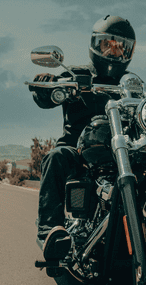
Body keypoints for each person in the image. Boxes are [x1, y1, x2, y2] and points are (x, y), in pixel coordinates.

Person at [29, 15, 137, 261]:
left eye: (121, 46)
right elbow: (46, 98)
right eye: (108, 44)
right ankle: (49, 233)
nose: (113, 51)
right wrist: (45, 85)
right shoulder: (78, 74)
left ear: (128, 51)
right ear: (96, 45)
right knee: (55, 157)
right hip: (77, 151)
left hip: (117, 156)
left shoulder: (131, 84)